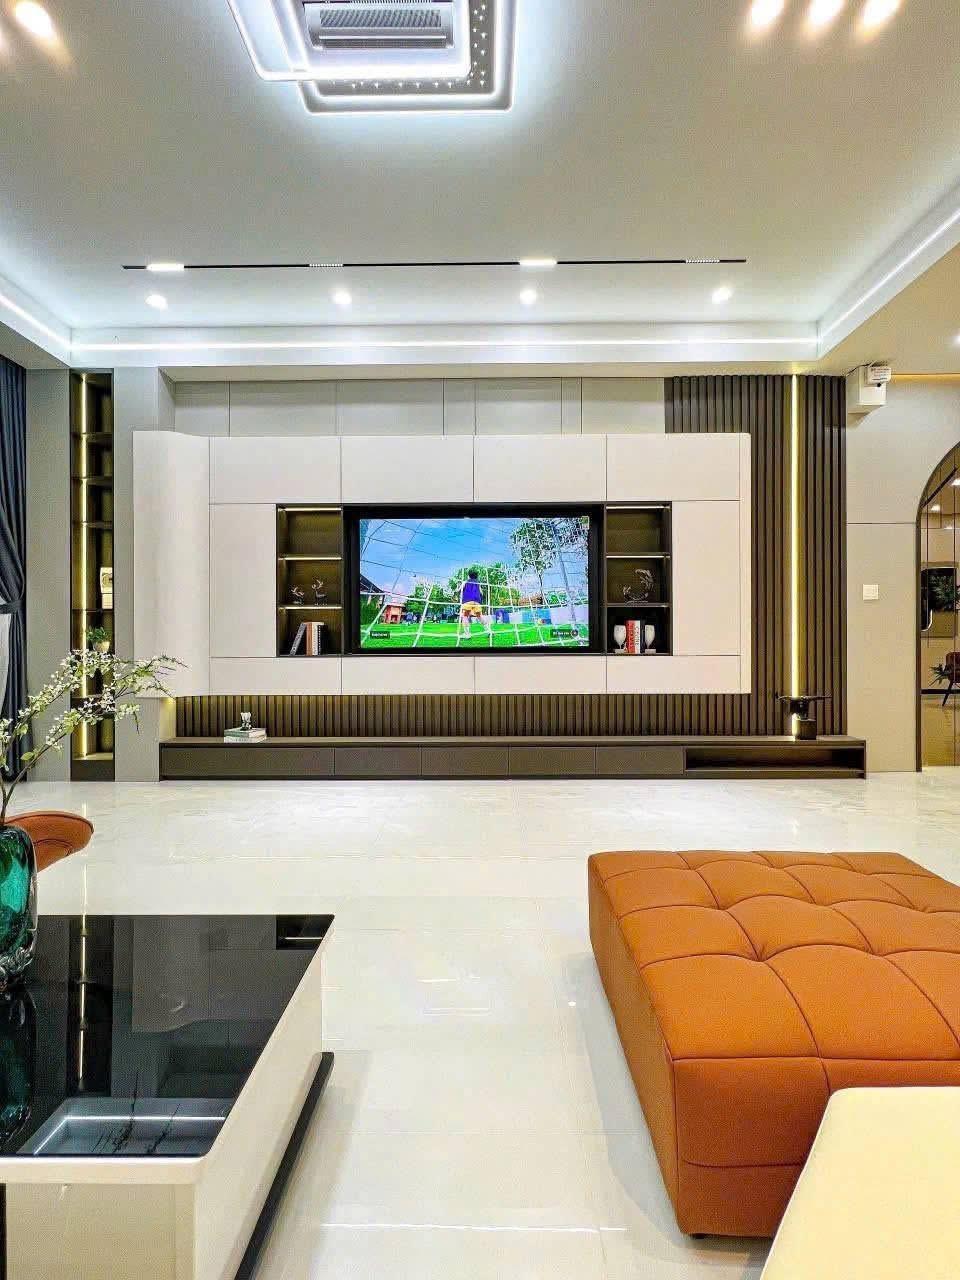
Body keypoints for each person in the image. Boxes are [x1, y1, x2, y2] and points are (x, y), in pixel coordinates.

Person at [460, 570, 484, 636]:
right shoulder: (478, 583)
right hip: (477, 601)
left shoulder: (465, 581)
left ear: (469, 575)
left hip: (468, 600)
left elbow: (460, 589)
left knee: (465, 616)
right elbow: (481, 593)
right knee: (479, 616)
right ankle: (488, 631)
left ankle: (467, 634)